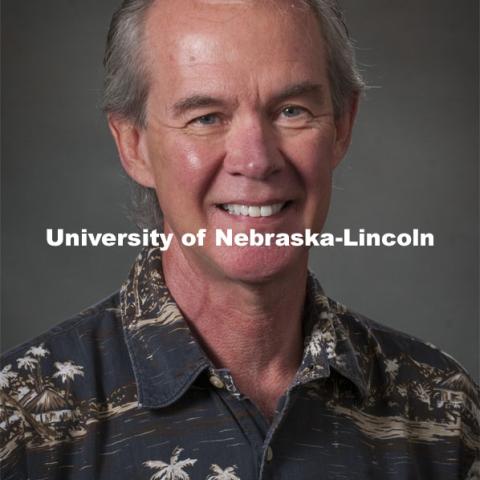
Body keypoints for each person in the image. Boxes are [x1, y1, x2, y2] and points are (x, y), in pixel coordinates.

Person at [1, 0, 478, 479]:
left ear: (342, 126)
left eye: (292, 111)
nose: (256, 160)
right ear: (133, 144)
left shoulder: (443, 411)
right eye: (206, 117)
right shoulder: (19, 419)